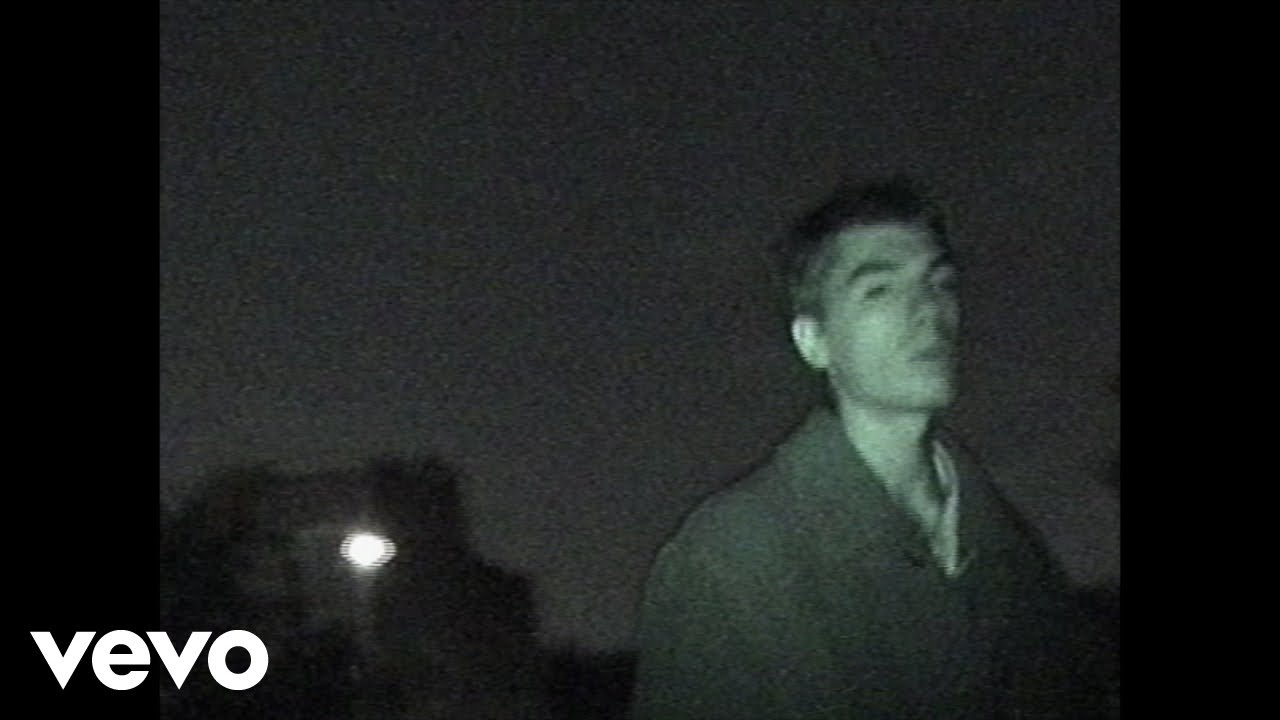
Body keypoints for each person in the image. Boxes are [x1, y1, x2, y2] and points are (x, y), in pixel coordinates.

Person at [629, 177, 1108, 719]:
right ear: (814, 341)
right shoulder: (729, 563)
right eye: (879, 290)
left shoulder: (1015, 555)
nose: (927, 310)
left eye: (939, 283)